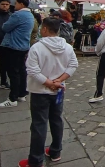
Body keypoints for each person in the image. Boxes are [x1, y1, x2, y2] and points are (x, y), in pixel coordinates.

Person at [18, 17, 78, 167]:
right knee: (56, 120)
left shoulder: (37, 48)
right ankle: (55, 151)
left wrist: (49, 82)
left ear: (44, 29)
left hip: (40, 91)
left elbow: (32, 70)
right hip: (58, 90)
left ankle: (36, 160)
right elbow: (73, 65)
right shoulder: (67, 47)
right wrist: (59, 80)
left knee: (39, 124)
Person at [0, 0, 34, 108]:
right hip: (23, 46)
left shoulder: (18, 15)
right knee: (22, 70)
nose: (14, 5)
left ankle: (12, 98)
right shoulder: (30, 15)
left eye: (16, 3)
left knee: (13, 73)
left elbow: (5, 27)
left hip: (13, 46)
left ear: (21, 4)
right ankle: (22, 93)